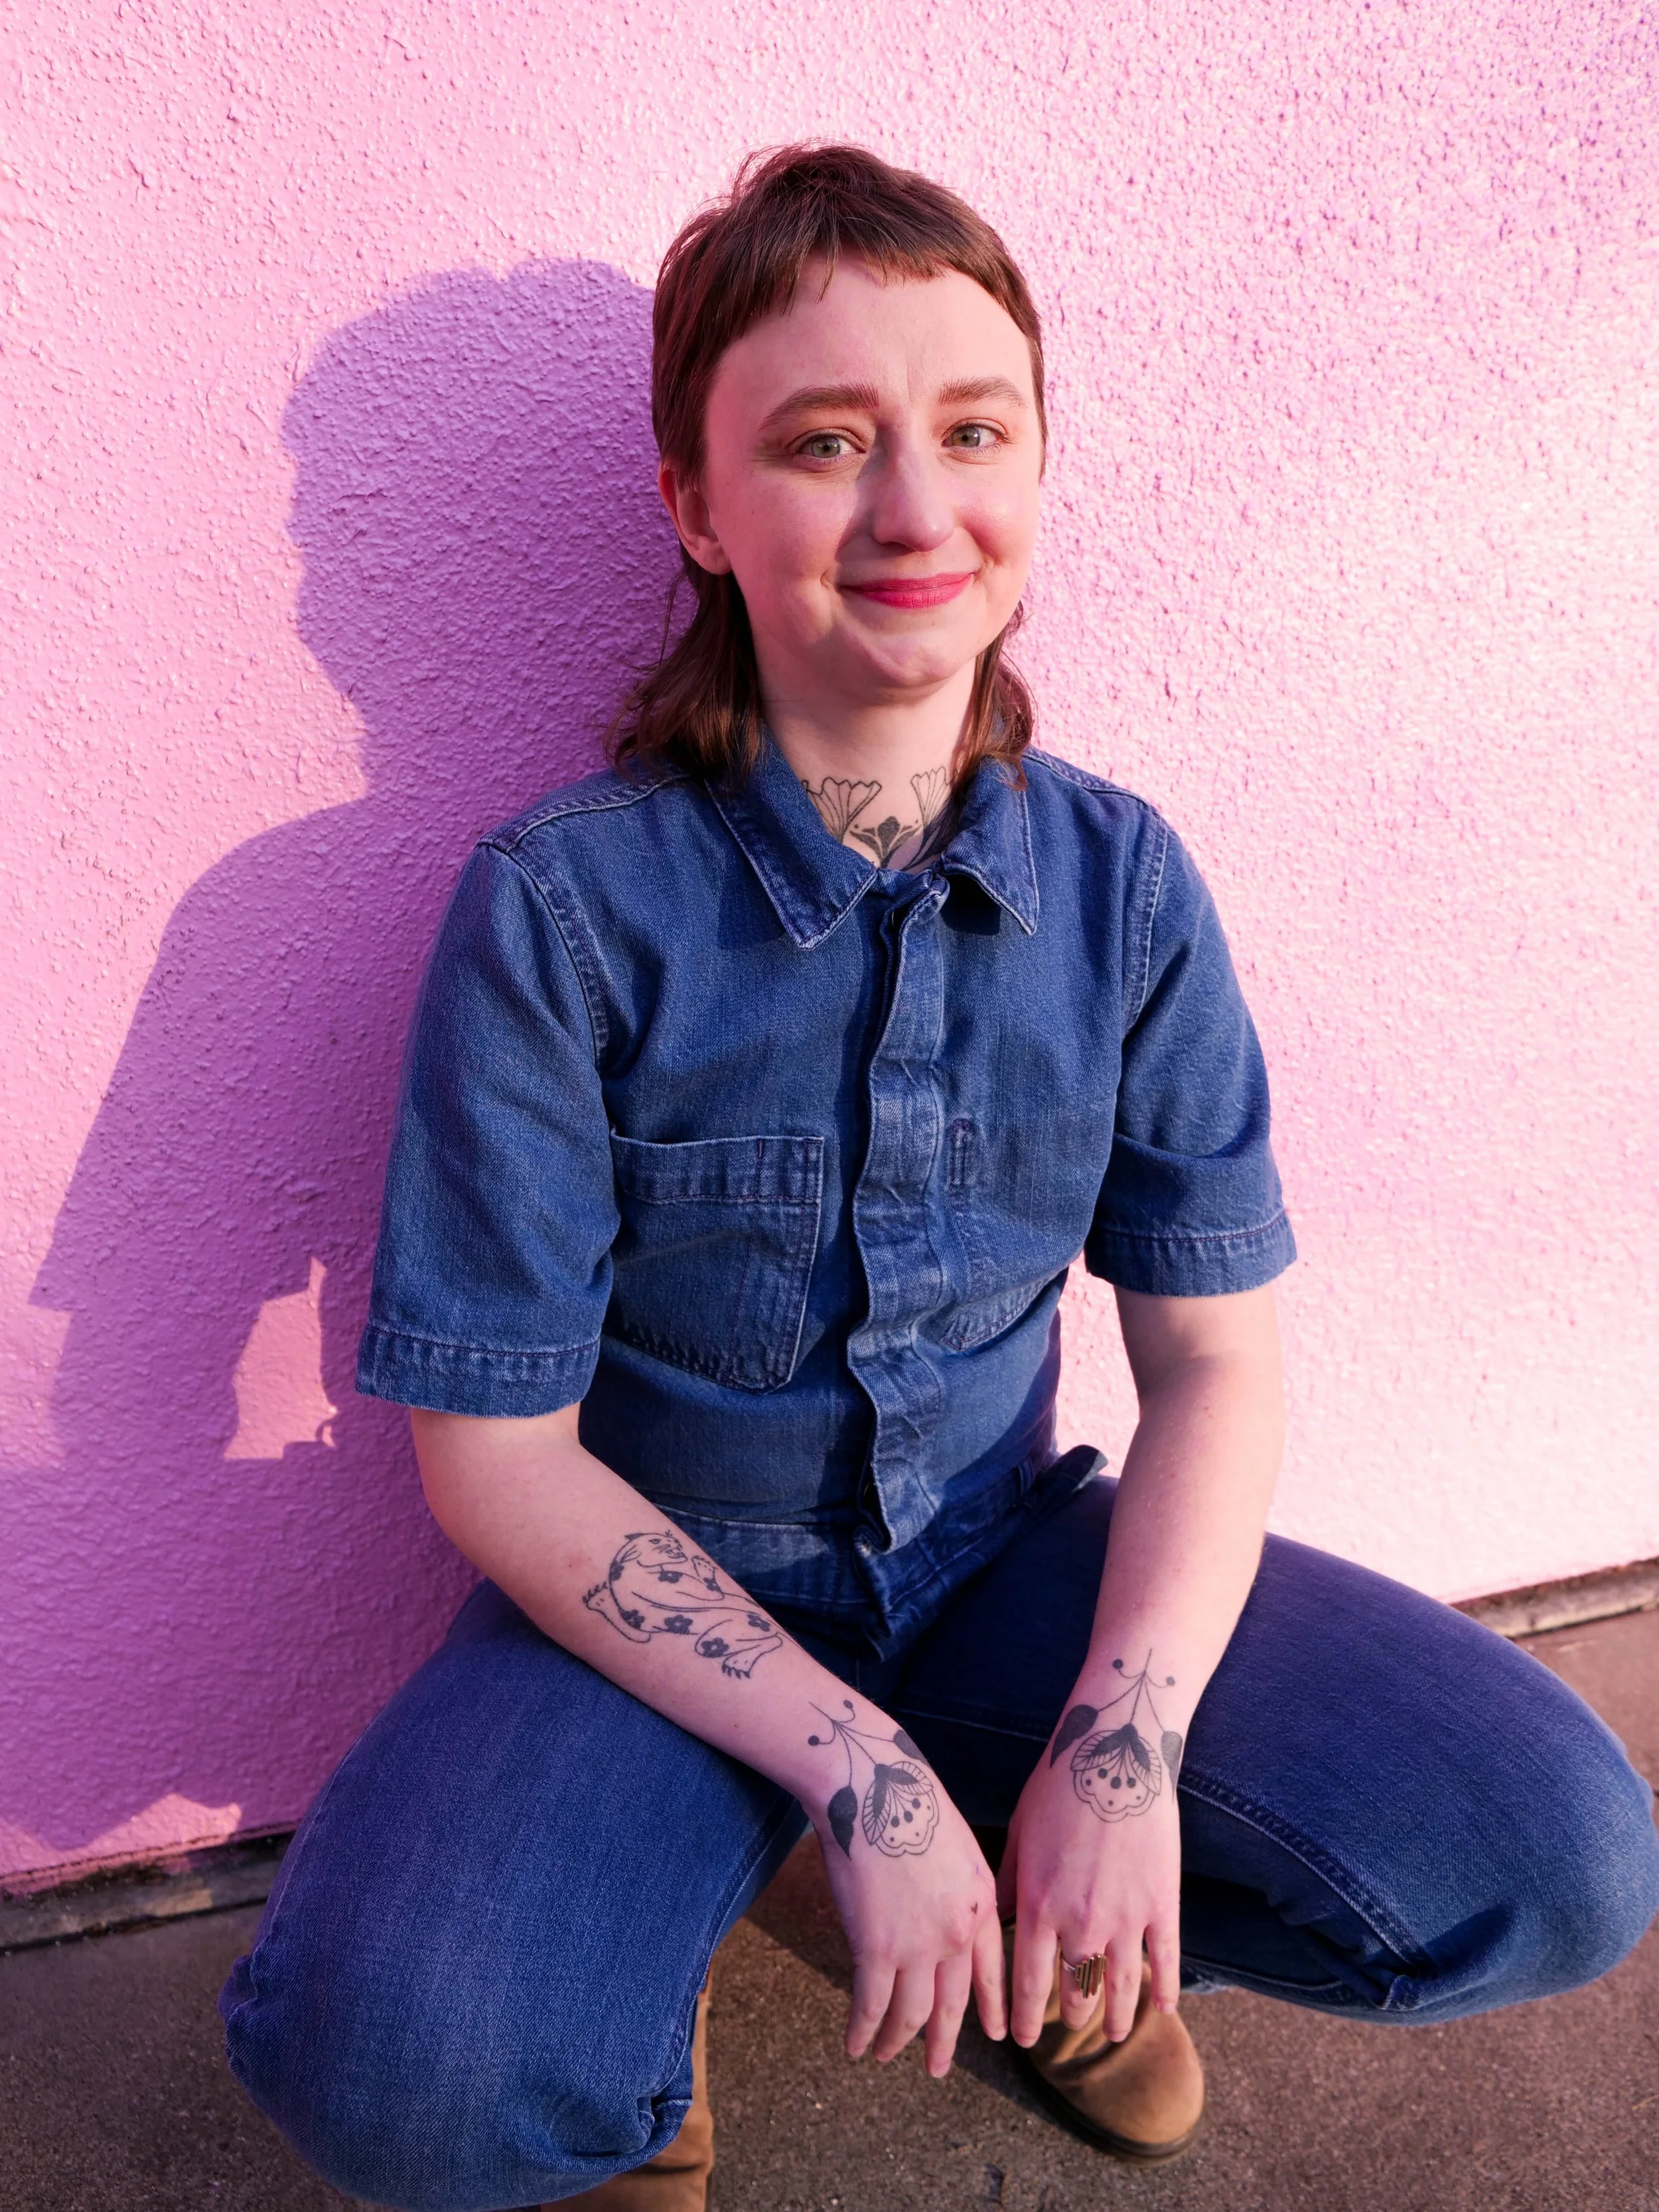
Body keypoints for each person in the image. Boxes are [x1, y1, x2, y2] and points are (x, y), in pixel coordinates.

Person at [219, 145, 1658, 2212]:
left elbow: (1212, 1365)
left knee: (1554, 1853)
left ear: (1036, 470)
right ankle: (625, 2035)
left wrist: (1119, 1748)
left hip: (999, 1563)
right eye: (822, 443)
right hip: (653, 1595)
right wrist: (851, 1763)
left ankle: (1036, 1911)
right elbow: (497, 1457)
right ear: (697, 510)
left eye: (971, 431)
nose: (912, 508)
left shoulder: (1124, 885)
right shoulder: (564, 910)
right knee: (401, 2061)